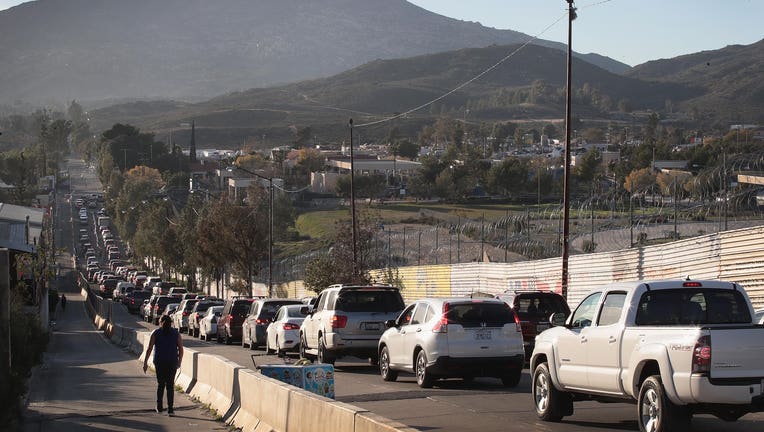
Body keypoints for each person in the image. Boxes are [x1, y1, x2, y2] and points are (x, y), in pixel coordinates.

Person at [143, 314, 184, 416]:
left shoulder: (156, 333)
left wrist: (145, 362)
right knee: (170, 385)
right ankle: (170, 409)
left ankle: (159, 406)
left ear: (160, 323)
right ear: (171, 323)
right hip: (172, 362)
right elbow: (181, 349)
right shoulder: (176, 334)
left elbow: (149, 348)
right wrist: (179, 362)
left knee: (161, 384)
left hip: (160, 362)